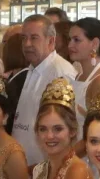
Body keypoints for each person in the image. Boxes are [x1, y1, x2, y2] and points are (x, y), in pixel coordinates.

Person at [26, 78, 94, 179]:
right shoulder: (41, 169)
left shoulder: (77, 171)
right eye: (43, 129)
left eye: (57, 129)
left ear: (72, 131)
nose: (50, 136)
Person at [10, 15, 78, 167]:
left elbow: (68, 130)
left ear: (51, 41)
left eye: (34, 38)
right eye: (24, 38)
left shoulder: (62, 73)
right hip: (24, 165)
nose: (27, 44)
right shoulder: (31, 69)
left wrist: (46, 169)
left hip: (46, 169)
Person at [69, 18, 100, 138]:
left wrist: (69, 152)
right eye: (70, 39)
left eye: (76, 40)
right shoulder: (79, 74)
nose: (70, 45)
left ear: (94, 44)